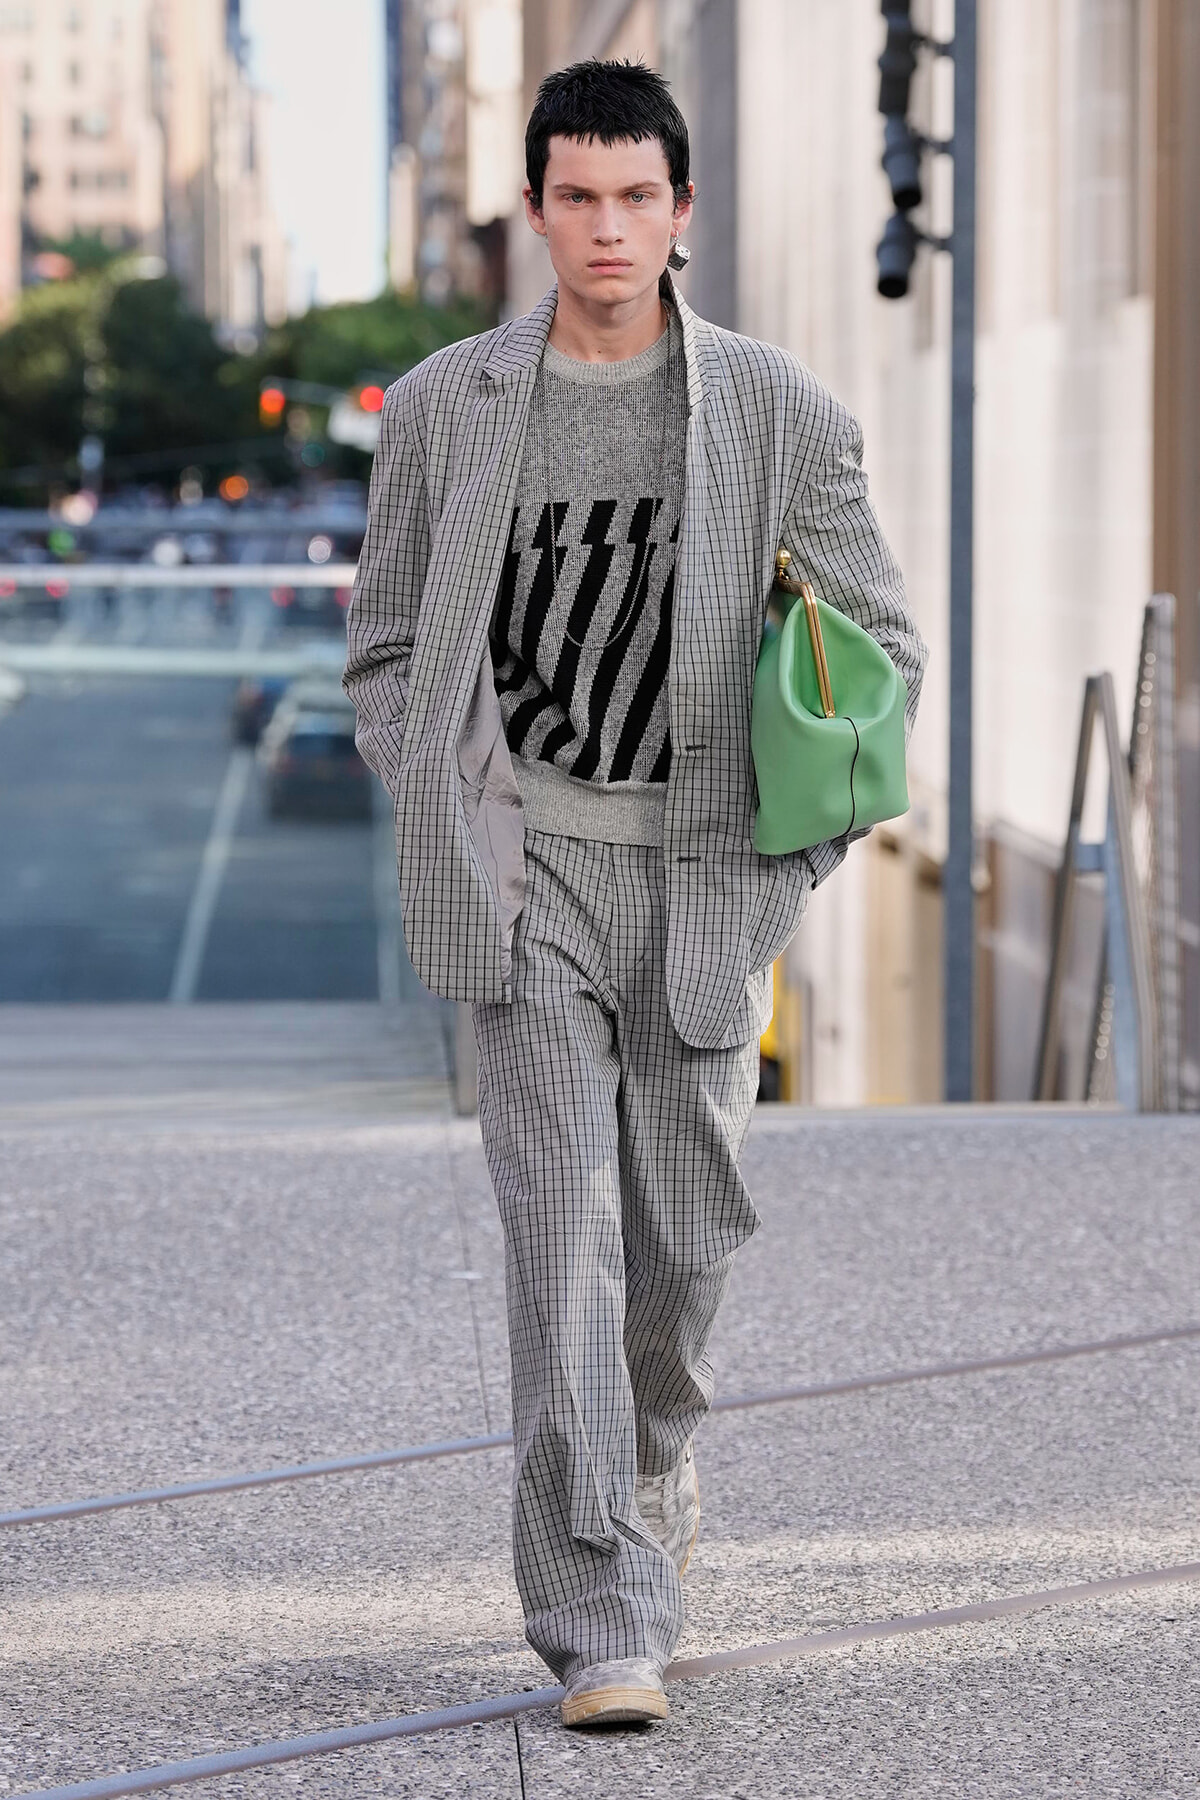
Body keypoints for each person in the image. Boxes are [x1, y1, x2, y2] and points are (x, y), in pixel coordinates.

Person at [344, 59, 926, 1730]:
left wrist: (790, 857)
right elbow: (385, 647)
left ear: (681, 210)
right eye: (576, 197)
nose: (606, 227)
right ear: (536, 212)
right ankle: (600, 1605)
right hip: (528, 869)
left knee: (682, 1253)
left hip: (704, 868)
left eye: (635, 197)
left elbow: (879, 644)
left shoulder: (779, 409)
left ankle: (648, 1488)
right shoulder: (447, 407)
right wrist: (446, 810)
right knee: (564, 1247)